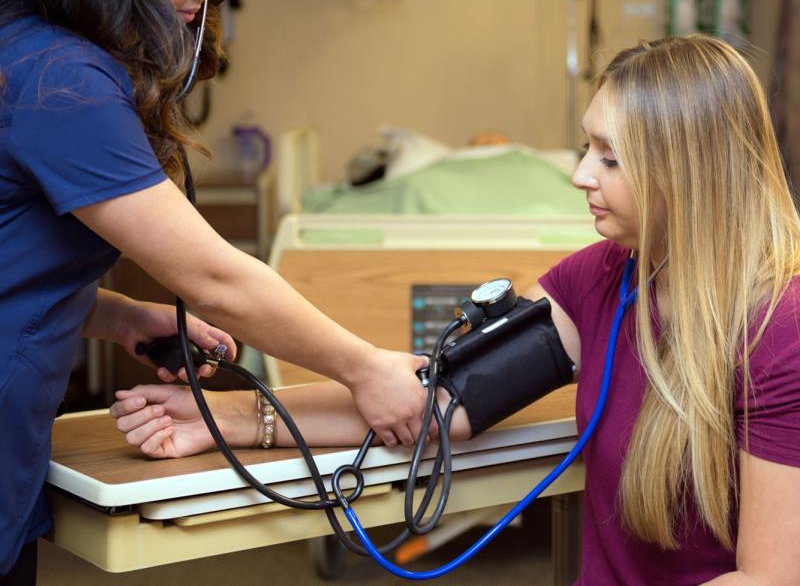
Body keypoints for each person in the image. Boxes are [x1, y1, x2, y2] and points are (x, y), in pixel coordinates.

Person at [115, 35, 800, 585]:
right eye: (587, 146)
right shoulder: (606, 278)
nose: (579, 175)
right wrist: (225, 418)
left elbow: (769, 575)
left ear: (689, 174)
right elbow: (435, 403)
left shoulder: (780, 330)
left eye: (610, 159)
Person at [0, 0, 427, 582]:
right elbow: (214, 277)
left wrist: (122, 316)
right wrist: (367, 370)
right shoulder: (62, 80)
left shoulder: (25, 49)